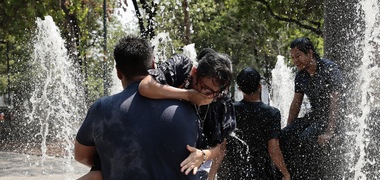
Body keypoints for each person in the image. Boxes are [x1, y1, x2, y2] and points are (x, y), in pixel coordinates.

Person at [74, 36, 200, 180]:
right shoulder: (187, 110)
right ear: (154, 66)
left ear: (118, 72)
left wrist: (114, 162)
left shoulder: (102, 109)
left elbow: (81, 156)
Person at [138, 48, 236, 179]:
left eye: (215, 92)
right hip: (155, 152)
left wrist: (203, 155)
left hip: (190, 166)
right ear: (195, 72)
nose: (208, 95)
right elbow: (145, 87)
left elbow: (218, 146)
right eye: (205, 88)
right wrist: (188, 95)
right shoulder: (182, 67)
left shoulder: (220, 99)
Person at [279, 37, 343, 179]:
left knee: (306, 138)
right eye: (293, 58)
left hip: (333, 117)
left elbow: (335, 102)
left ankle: (312, 176)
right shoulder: (301, 75)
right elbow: (296, 104)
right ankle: (291, 175)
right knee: (283, 136)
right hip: (315, 116)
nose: (295, 61)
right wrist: (290, 128)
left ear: (310, 53)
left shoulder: (329, 69)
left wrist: (330, 131)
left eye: (298, 56)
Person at [219, 67, 290, 180]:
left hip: (235, 173)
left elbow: (221, 147)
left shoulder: (230, 110)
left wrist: (211, 174)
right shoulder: (272, 113)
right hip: (261, 173)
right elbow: (273, 149)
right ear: (259, 86)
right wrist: (286, 174)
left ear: (239, 89)